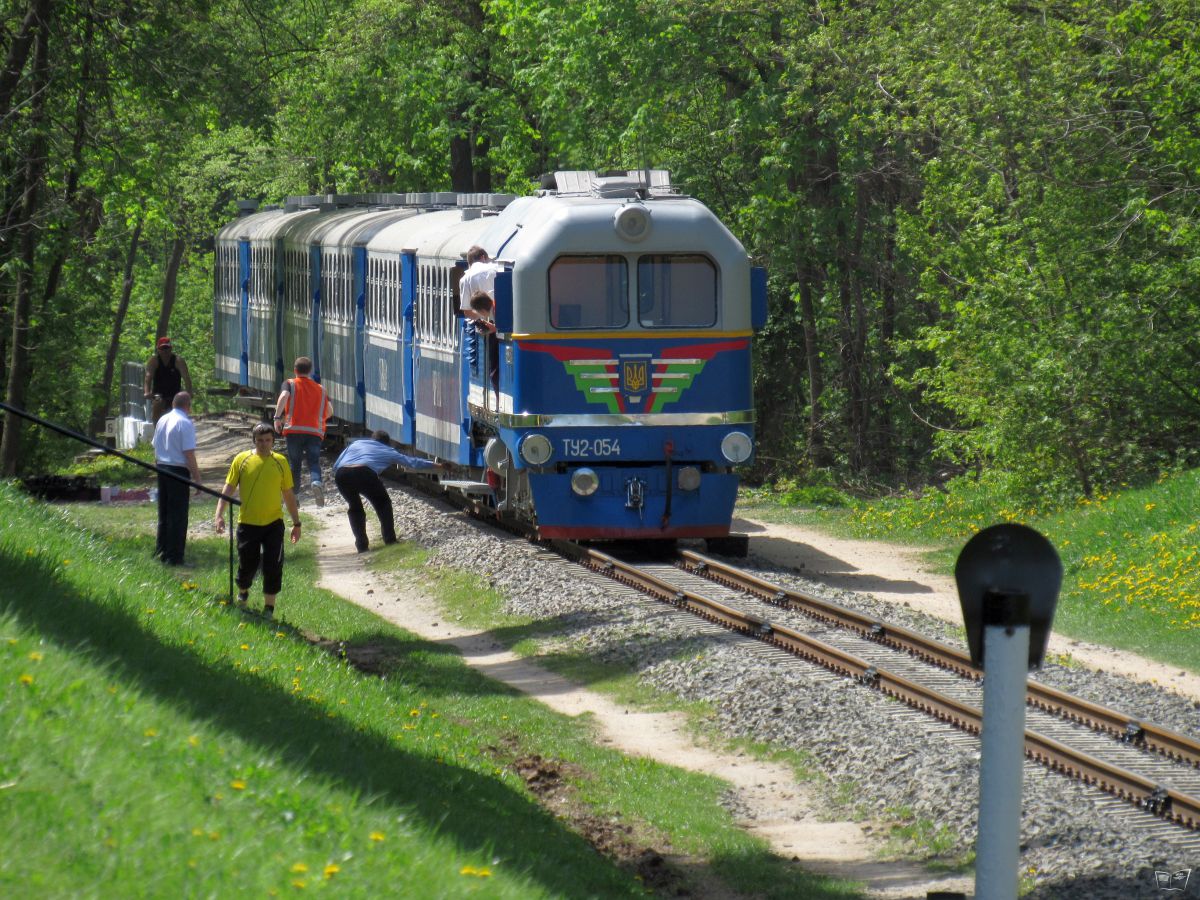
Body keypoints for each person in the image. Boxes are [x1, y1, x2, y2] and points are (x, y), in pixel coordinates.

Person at [214, 423, 302, 618]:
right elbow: (228, 488)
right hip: (247, 523)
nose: (264, 444)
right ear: (254, 440)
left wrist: (296, 523)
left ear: (273, 441)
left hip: (273, 523)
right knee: (247, 564)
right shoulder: (242, 460)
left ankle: (269, 609)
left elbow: (288, 494)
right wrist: (219, 514)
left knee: (273, 565)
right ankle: (243, 592)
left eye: (268, 440)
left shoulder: (280, 462)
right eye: (260, 440)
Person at [333, 431, 440, 553]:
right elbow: (412, 463)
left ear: (372, 439)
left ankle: (361, 545)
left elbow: (336, 465)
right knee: (383, 504)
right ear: (387, 442)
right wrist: (438, 465)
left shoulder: (356, 443)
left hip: (342, 474)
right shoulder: (389, 451)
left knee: (355, 507)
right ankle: (390, 540)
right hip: (364, 472)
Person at [151, 391, 202, 566]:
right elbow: (188, 453)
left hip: (162, 467)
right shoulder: (185, 423)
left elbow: (155, 447)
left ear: (173, 403)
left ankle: (162, 550)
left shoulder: (162, 420)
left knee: (164, 513)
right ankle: (175, 556)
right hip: (178, 470)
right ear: (188, 405)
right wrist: (197, 479)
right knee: (178, 515)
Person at [273, 356, 333, 507]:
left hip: (294, 430)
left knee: (295, 464)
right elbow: (330, 411)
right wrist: (316, 418)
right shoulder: (321, 389)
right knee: (313, 461)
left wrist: (277, 417)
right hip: (314, 432)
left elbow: (284, 396)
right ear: (310, 371)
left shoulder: (290, 384)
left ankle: (294, 498)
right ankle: (316, 482)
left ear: (295, 370)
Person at [144, 336, 193, 425]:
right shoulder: (154, 361)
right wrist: (147, 392)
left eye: (167, 348)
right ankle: (157, 432)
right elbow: (148, 378)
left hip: (175, 393)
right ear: (158, 349)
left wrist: (189, 392)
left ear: (171, 348)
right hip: (158, 393)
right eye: (162, 348)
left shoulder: (178, 361)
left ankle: (180, 429)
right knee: (157, 405)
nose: (165, 351)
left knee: (181, 410)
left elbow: (186, 378)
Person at [459, 246, 503, 325]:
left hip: (486, 326)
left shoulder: (465, 279)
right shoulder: (498, 269)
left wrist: (484, 316)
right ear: (483, 257)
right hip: (504, 322)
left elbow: (467, 312)